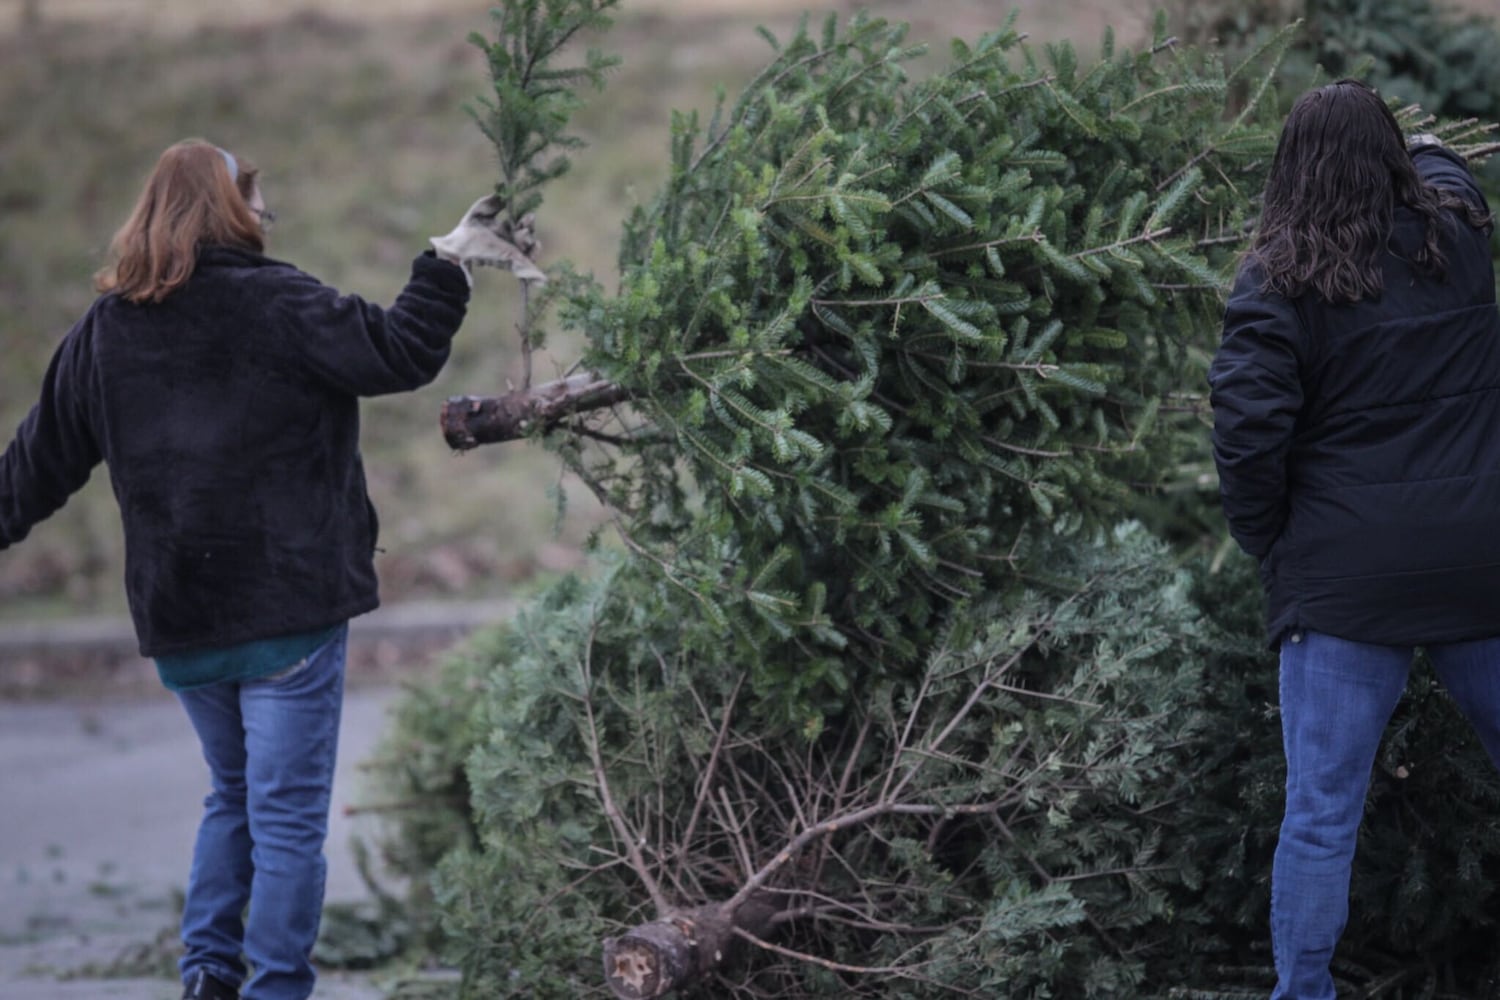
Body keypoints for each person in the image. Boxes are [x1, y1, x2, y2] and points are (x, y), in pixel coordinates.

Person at [0, 139, 494, 1000]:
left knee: (232, 795)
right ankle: (271, 989)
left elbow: (33, 469)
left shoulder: (103, 332)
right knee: (289, 822)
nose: (267, 215)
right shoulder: (277, 303)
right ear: (226, 211)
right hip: (288, 616)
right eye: (254, 198)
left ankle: (207, 975)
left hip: (184, 625)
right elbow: (400, 351)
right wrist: (449, 261)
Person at [1209, 80, 1499, 999]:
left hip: (1342, 583)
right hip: (1478, 565)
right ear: (1392, 161)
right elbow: (1454, 176)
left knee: (1322, 817)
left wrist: (1271, 544)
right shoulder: (1453, 245)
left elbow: (1247, 435)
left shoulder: (1275, 282)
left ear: (1287, 171)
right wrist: (1410, 136)